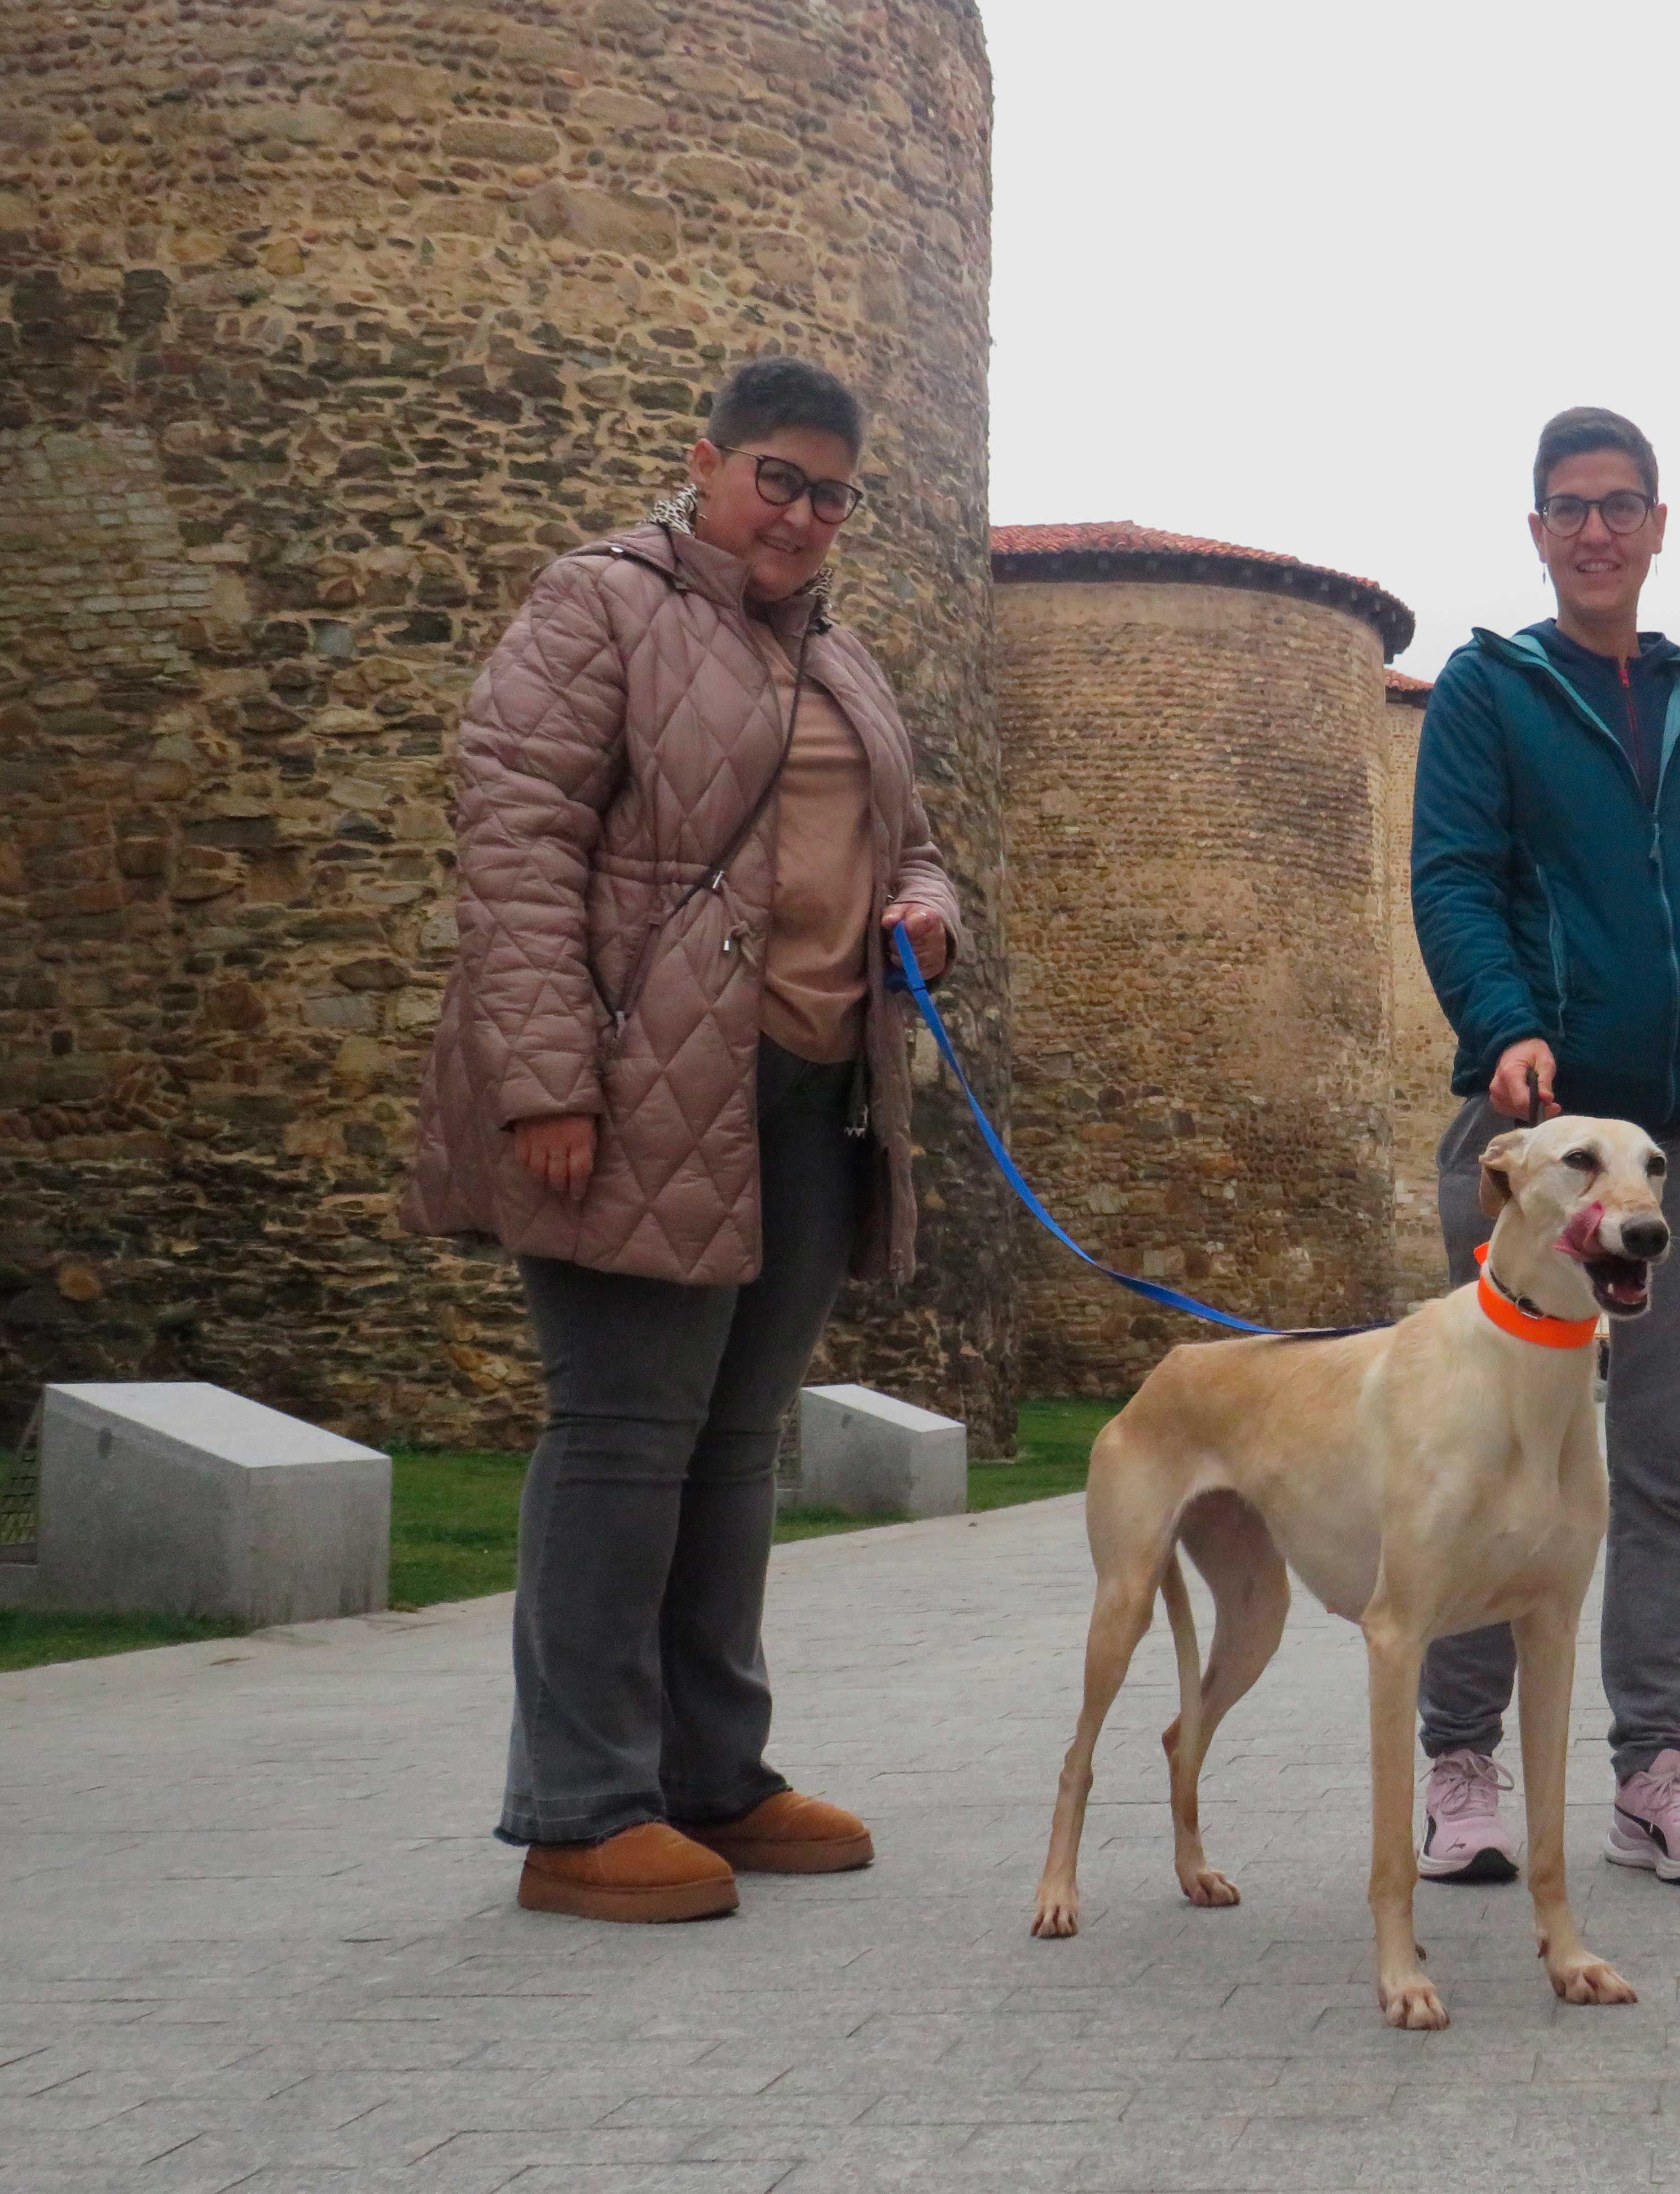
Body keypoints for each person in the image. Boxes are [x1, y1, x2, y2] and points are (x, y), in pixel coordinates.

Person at [402, 357, 963, 1921]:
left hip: (805, 1090)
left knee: (729, 1447)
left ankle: (716, 1776)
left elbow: (911, 845)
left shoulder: (838, 653)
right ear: (707, 462)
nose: (800, 514)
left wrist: (928, 909)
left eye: (831, 494)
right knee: (621, 1440)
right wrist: (545, 1084)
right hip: (636, 1088)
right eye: (778, 479)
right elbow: (516, 836)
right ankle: (582, 1808)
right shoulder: (600, 604)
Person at [1407, 406, 1680, 1886]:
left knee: (1664, 1467)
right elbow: (1452, 876)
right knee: (1487, 1464)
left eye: (1620, 506)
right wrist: (1506, 1021)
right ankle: (1461, 1770)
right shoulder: (1487, 694)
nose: (1595, 532)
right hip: (1539, 1138)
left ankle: (1654, 1773)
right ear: (1536, 532)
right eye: (1569, 508)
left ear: (1656, 526)